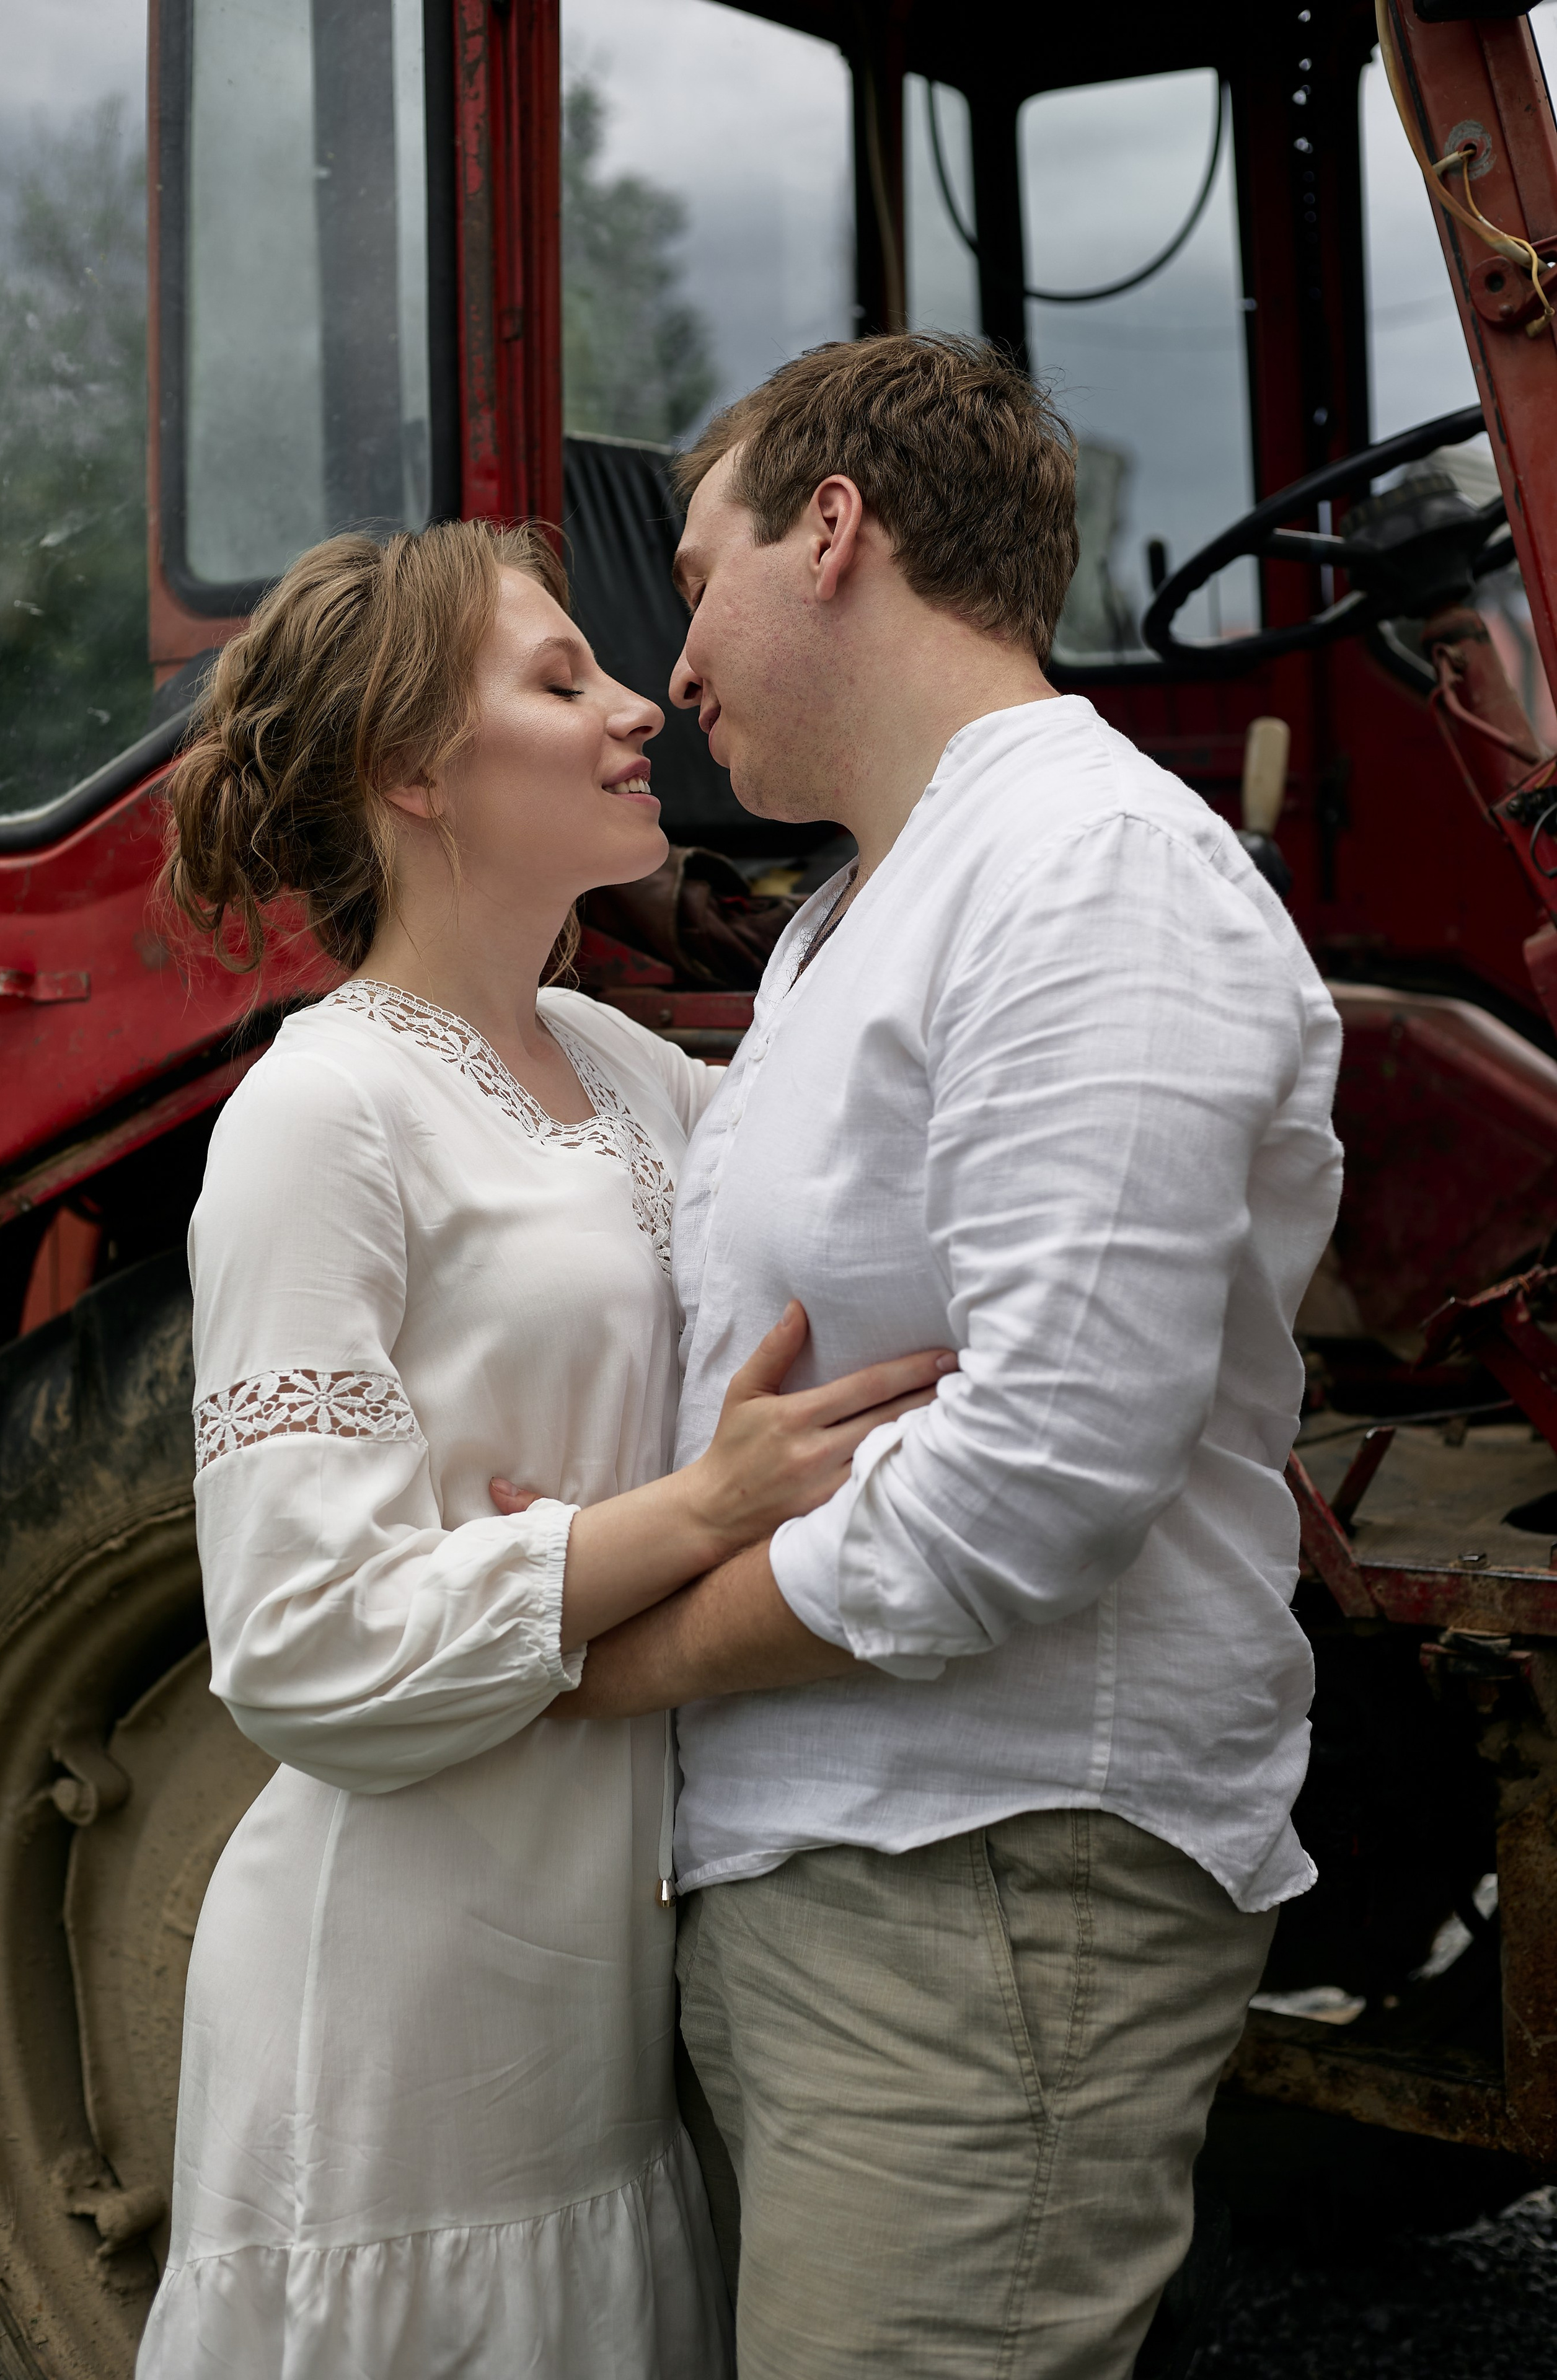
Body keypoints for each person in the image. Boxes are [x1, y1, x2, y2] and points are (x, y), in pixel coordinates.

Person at [570, 333, 1346, 2378]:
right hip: (851, 1865)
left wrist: (627, 1652)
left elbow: (1045, 1469)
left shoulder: (1089, 874)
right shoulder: (860, 914)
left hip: (990, 1882)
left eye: (699, 572)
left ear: (834, 532)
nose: (673, 668)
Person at [135, 519, 953, 2380]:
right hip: (402, 2009)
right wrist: (700, 1508)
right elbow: (300, 1643)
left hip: (605, 1984)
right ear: (412, 773)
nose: (632, 711)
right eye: (557, 680)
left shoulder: (626, 1062)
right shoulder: (319, 1114)